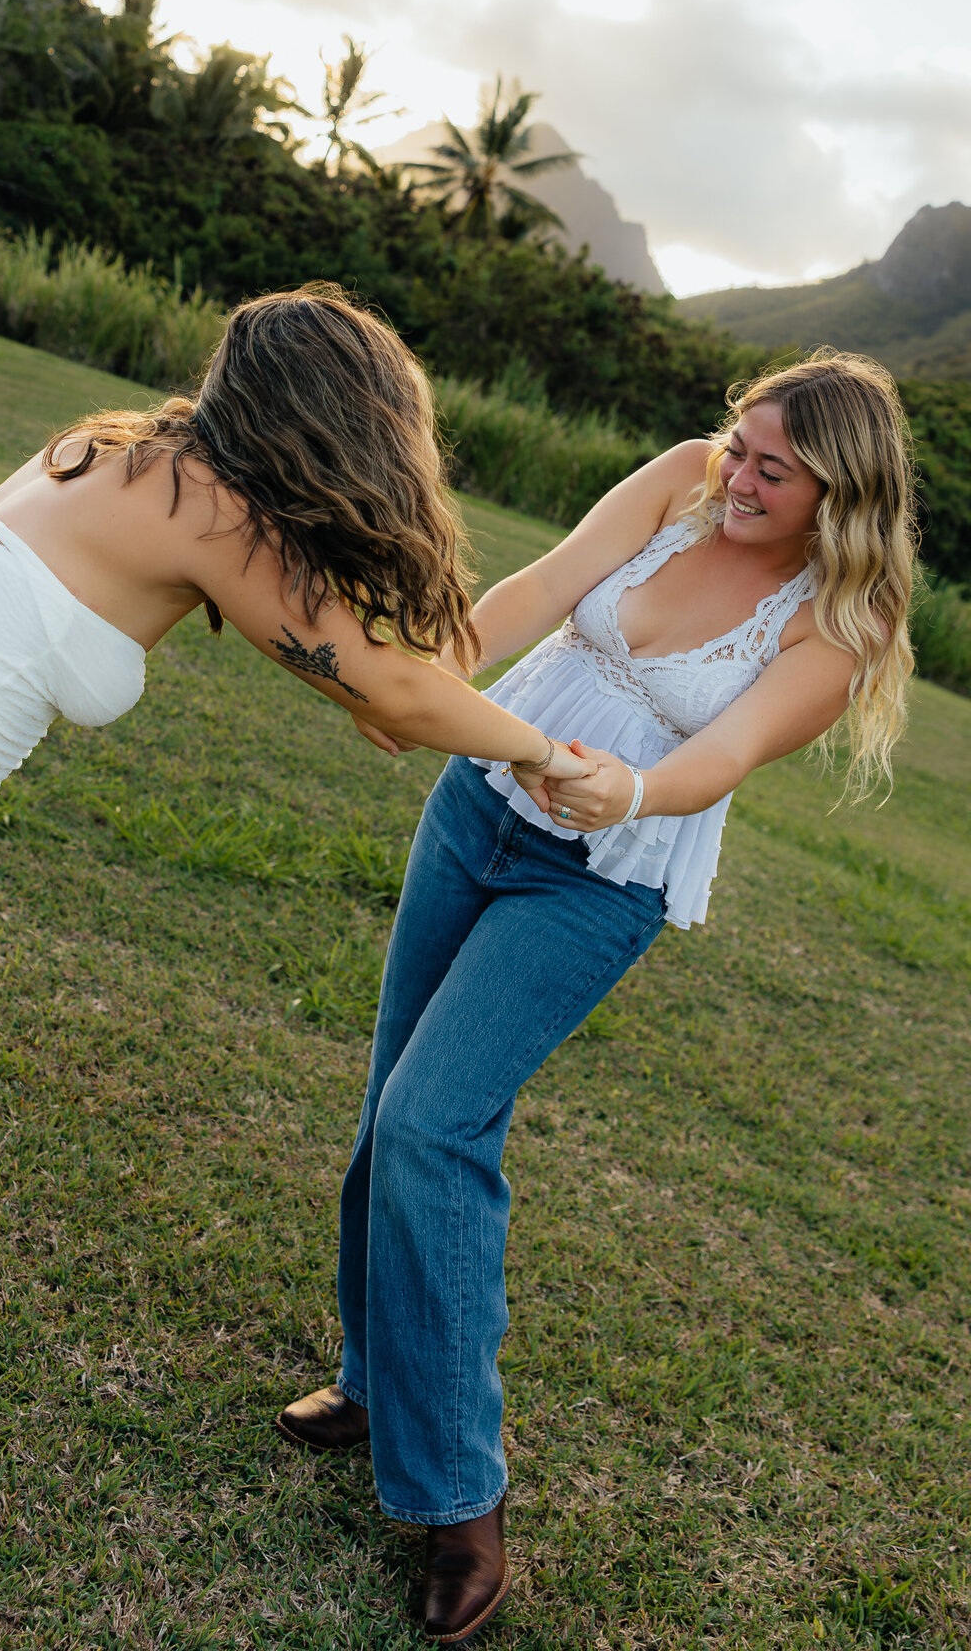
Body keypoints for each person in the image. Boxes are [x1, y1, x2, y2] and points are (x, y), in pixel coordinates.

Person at [0, 286, 591, 1574]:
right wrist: (547, 750)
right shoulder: (207, 509)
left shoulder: (120, 453)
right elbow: (384, 689)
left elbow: (374, 686)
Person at [276, 350, 917, 1645]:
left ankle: (463, 1503)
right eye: (738, 444)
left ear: (836, 495)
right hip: (479, 808)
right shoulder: (684, 479)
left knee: (435, 1125)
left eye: (771, 469)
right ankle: (368, 1380)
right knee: (388, 1103)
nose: (734, 475)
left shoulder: (838, 631)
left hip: (601, 875)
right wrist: (432, 681)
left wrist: (628, 790)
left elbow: (720, 758)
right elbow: (546, 588)